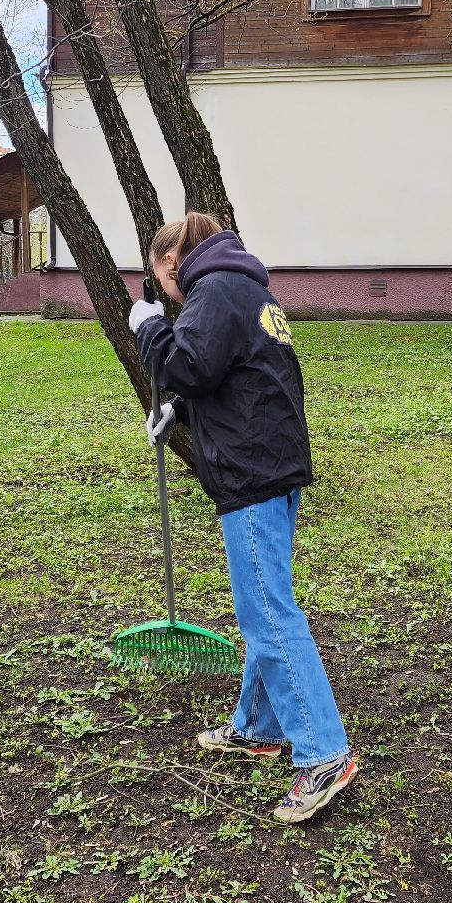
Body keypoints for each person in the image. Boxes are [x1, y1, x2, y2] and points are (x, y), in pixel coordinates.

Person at [127, 212, 358, 824]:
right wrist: (178, 410)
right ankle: (258, 726)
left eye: (160, 284)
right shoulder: (248, 289)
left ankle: (324, 752)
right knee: (264, 605)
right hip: (273, 465)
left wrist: (150, 331)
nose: (166, 296)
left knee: (269, 616)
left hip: (252, 473)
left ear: (172, 260)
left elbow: (187, 363)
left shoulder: (216, 289)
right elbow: (230, 375)